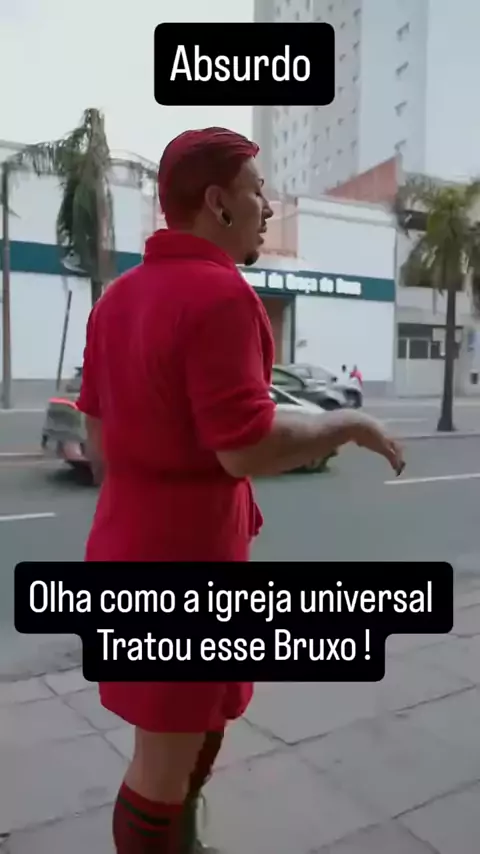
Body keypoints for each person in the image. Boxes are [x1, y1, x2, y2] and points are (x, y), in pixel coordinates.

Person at [77, 126, 404, 854]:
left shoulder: (117, 300)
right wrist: (346, 424)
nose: (268, 207)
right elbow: (245, 446)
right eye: (258, 192)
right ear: (218, 202)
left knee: (195, 727)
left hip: (129, 547)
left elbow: (99, 443)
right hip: (183, 564)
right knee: (160, 769)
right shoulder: (221, 295)